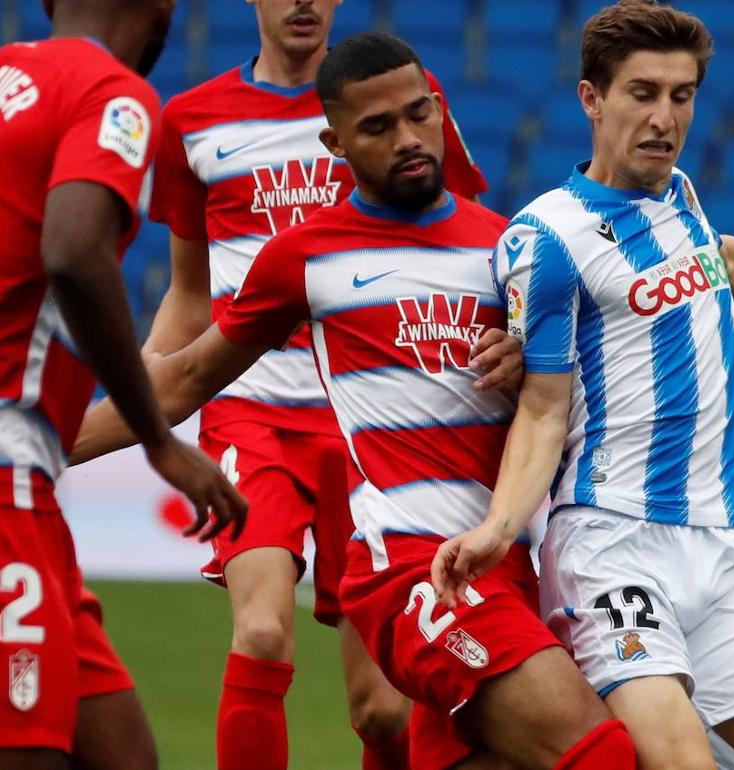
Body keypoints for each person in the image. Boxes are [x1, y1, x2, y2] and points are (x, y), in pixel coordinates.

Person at [73, 30, 637, 770]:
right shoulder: (305, 256)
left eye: (418, 114)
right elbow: (185, 379)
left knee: (429, 736)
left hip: (505, 563)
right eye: (377, 127)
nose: (407, 139)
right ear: (334, 144)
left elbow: (576, 388)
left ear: (439, 109)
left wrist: (527, 357)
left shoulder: (511, 250)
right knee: (598, 753)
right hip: (410, 569)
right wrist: (33, 445)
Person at [431, 3, 734, 769]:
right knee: (678, 760)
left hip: (726, 543)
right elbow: (543, 410)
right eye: (643, 93)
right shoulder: (547, 237)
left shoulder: (678, 195)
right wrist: (499, 528)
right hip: (615, 543)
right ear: (592, 99)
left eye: (682, 96)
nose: (665, 118)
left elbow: (715, 259)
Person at [142, 1, 487, 767]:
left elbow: (457, 238)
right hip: (250, 410)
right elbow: (190, 294)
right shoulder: (190, 122)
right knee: (263, 630)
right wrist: (138, 386)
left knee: (384, 712)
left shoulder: (399, 100)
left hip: (369, 422)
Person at [0, 1, 247, 769]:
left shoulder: (8, 77)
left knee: (122, 754)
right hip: (7, 478)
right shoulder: (111, 94)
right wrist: (157, 439)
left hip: (32, 497)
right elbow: (75, 252)